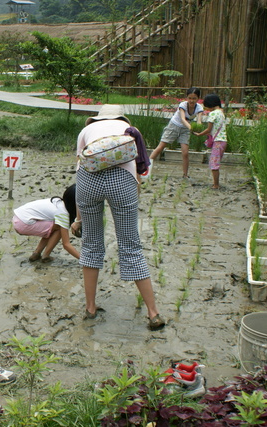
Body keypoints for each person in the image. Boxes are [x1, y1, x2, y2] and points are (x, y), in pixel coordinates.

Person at [73, 104, 165, 330]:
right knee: (131, 246)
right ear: (121, 116)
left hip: (88, 182)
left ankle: (90, 308)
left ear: (96, 119)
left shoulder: (85, 132)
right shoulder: (129, 129)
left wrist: (78, 218)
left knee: (91, 244)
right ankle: (153, 313)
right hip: (122, 181)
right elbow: (139, 166)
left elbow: (80, 165)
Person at [13, 184, 80, 263]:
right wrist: (83, 259)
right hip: (23, 224)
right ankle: (46, 256)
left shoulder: (57, 202)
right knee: (59, 228)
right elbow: (66, 245)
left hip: (18, 218)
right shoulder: (63, 214)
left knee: (55, 226)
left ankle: (37, 253)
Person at [148, 87, 204, 178]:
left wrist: (197, 129)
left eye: (194, 98)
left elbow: (199, 121)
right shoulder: (183, 105)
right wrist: (191, 127)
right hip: (174, 125)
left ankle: (185, 175)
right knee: (161, 146)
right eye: (190, 98)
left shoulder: (199, 108)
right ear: (187, 98)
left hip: (185, 129)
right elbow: (182, 119)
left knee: (185, 152)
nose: (192, 101)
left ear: (198, 99)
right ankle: (146, 168)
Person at [193, 94, 227, 189]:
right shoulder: (221, 113)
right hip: (223, 141)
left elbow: (208, 129)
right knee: (216, 162)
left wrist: (199, 134)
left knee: (214, 163)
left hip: (218, 142)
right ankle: (216, 183)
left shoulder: (213, 114)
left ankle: (216, 185)